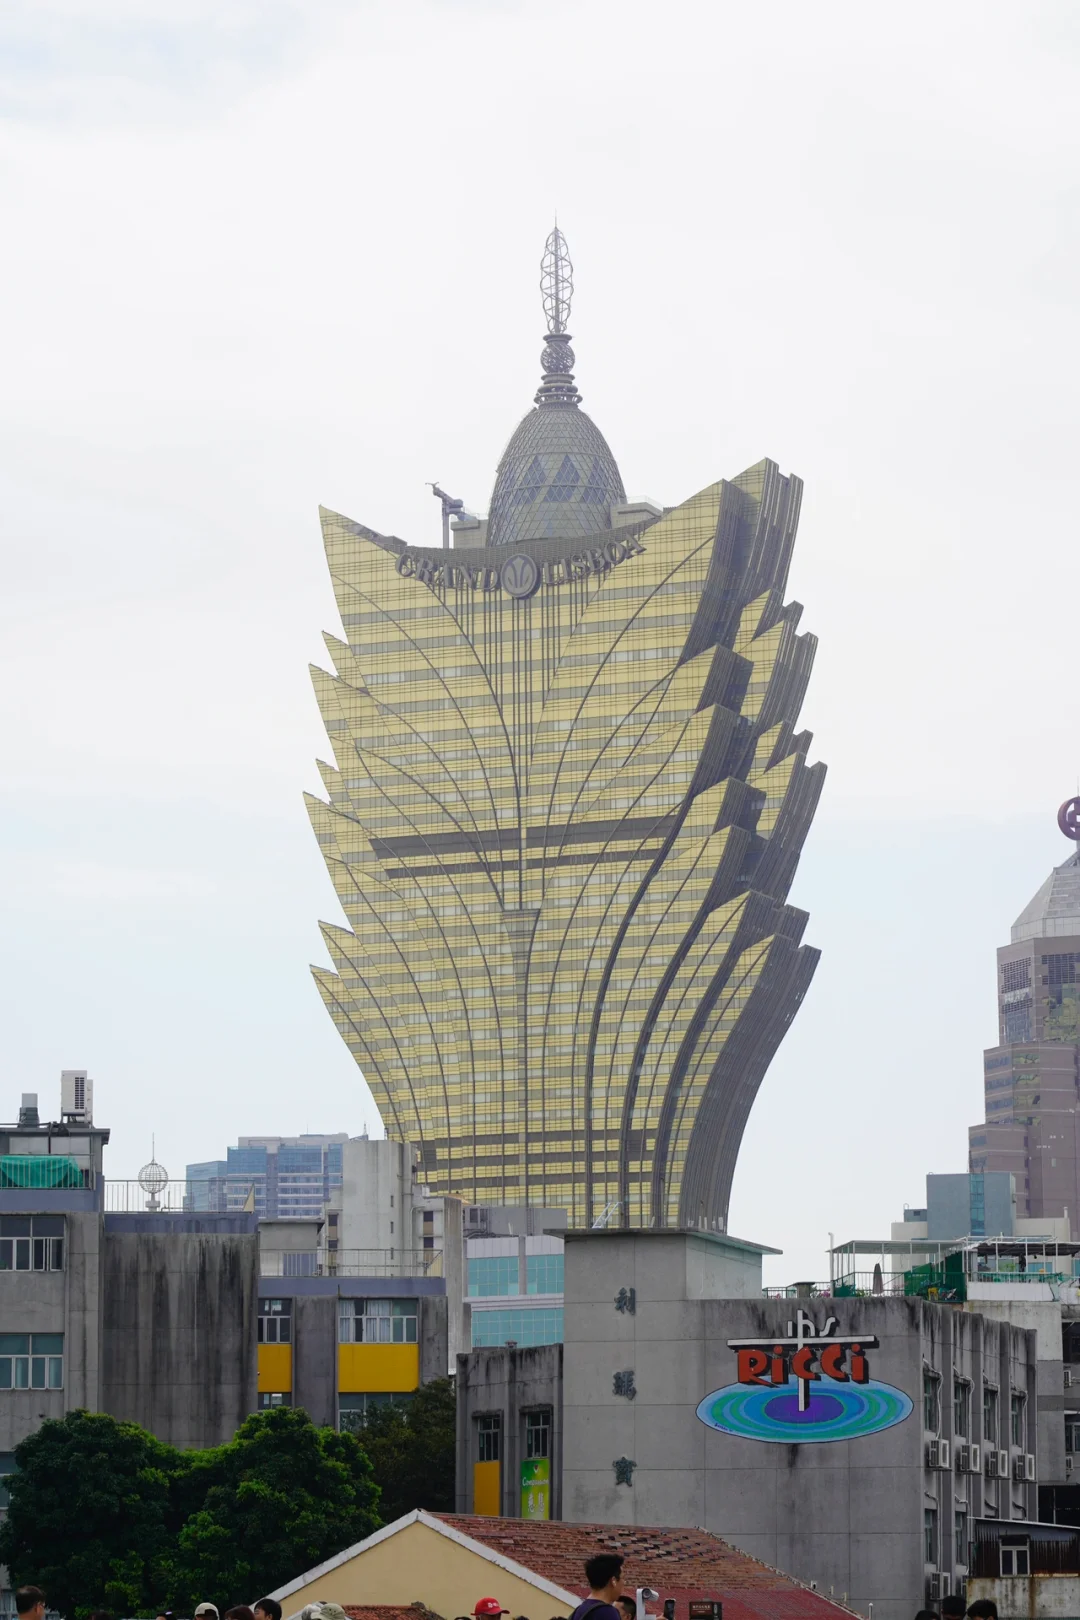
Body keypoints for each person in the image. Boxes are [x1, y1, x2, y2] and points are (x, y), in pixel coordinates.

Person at [569, 1554, 625, 1620]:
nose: (624, 1582)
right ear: (613, 1581)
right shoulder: (607, 1613)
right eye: (623, 1578)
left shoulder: (579, 1611)